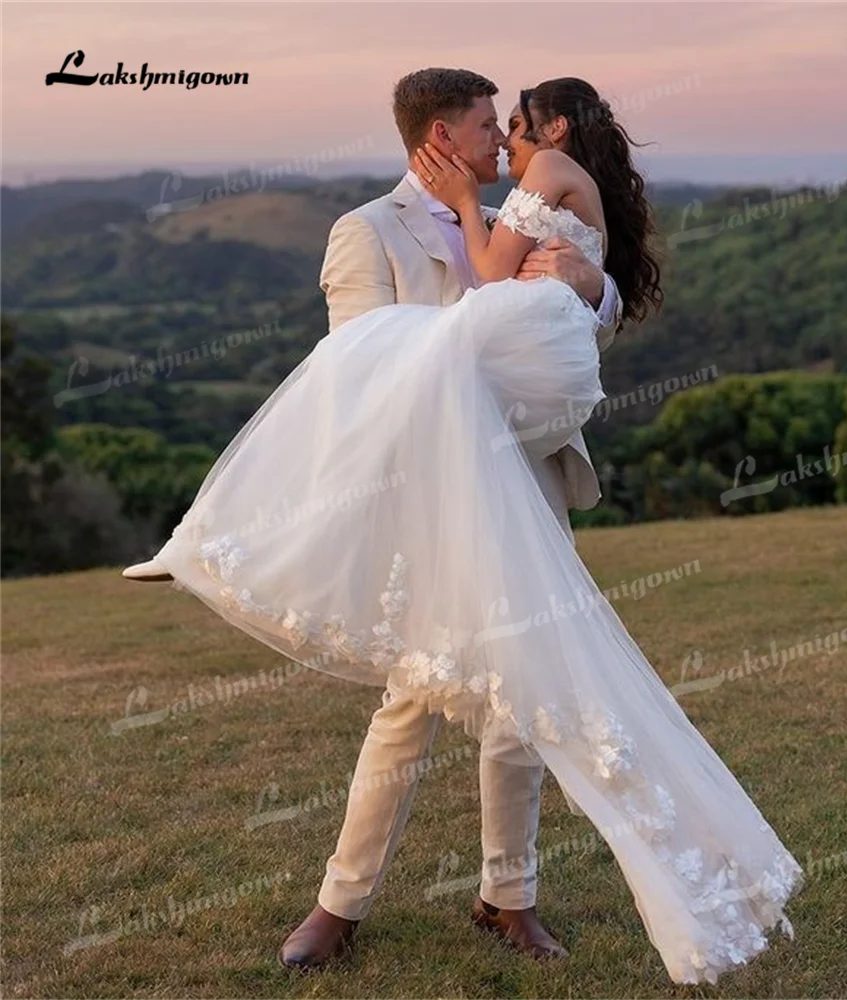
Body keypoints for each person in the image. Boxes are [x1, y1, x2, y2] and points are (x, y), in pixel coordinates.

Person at [123, 70, 804, 986]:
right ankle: (340, 902)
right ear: (441, 134)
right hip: (435, 504)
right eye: (488, 126)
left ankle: (508, 897)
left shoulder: (526, 205)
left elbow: (574, 334)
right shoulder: (367, 232)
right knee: (412, 703)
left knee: (522, 711)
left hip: (531, 486)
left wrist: (594, 283)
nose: (501, 139)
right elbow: (359, 376)